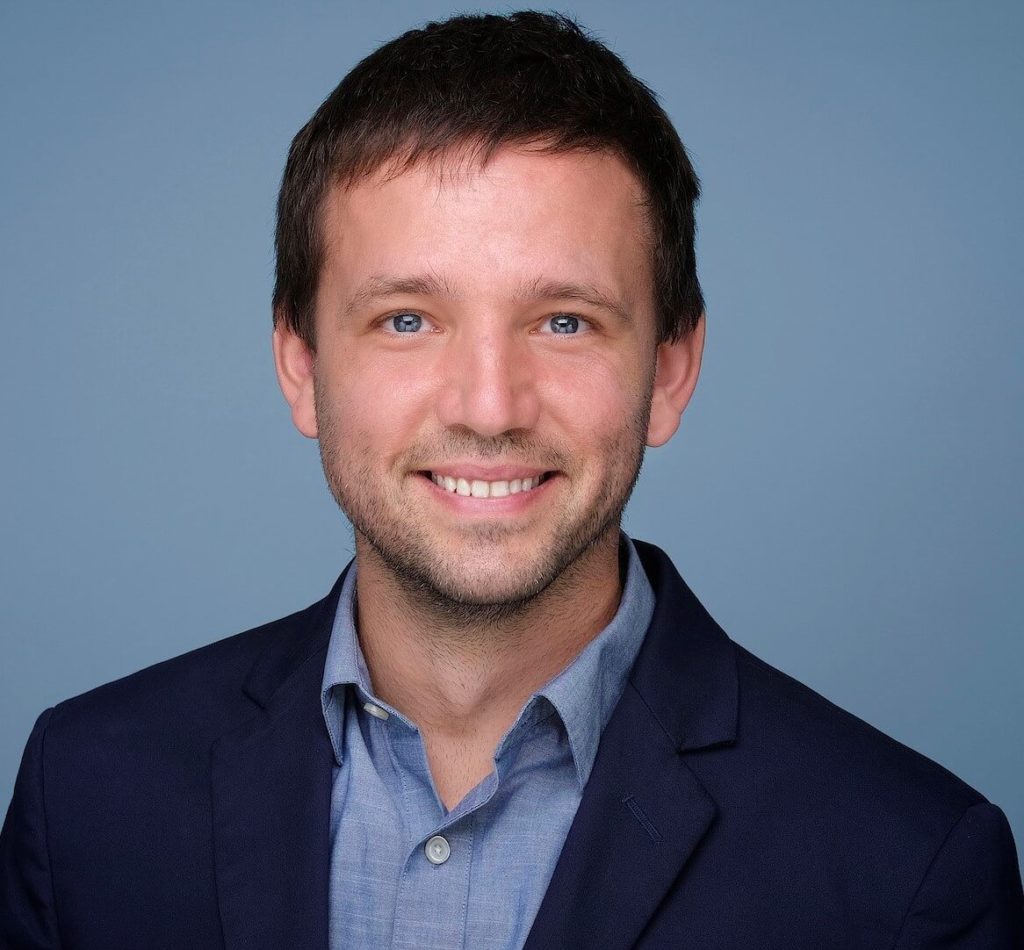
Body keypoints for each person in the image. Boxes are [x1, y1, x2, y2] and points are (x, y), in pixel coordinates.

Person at [1, 10, 1021, 949]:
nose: (489, 407)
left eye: (563, 321)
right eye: (407, 318)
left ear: (668, 371)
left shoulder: (905, 872)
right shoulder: (85, 793)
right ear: (301, 367)